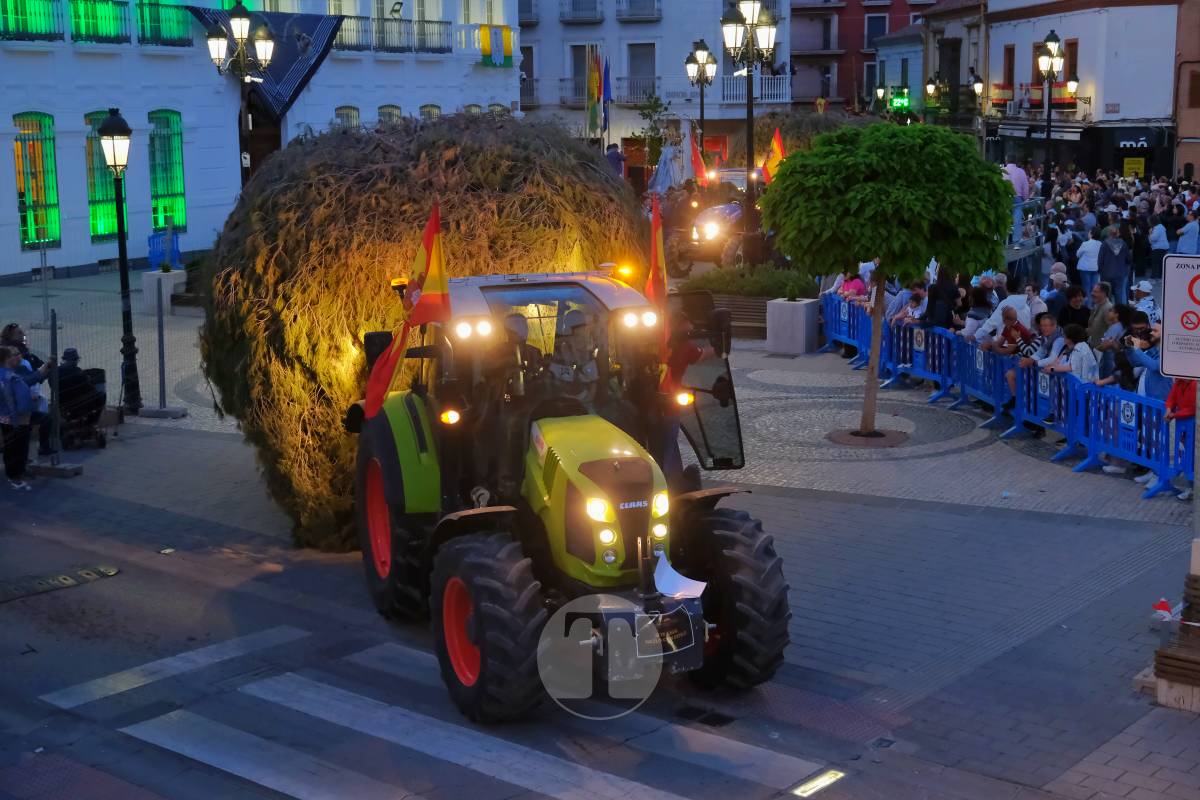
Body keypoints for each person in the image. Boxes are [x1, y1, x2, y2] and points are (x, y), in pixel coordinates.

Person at [1006, 311, 1066, 398]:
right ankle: (1017, 400)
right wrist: (1029, 360)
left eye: (1045, 326)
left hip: (1058, 372)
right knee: (1012, 373)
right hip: (1046, 370)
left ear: (1054, 326)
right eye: (1041, 326)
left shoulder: (1059, 339)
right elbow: (1040, 353)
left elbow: (1052, 358)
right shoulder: (1045, 337)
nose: (1043, 328)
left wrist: (1034, 363)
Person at [0, 345, 33, 490]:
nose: (18, 357)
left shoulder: (4, 374)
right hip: (16, 419)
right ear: (7, 359)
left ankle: (13, 474)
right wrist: (17, 420)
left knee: (10, 447)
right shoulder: (10, 377)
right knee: (18, 447)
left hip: (4, 417)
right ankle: (16, 477)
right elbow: (13, 400)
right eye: (14, 355)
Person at [1164, 378, 1197, 499]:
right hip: (1185, 426)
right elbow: (1171, 397)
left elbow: (1194, 408)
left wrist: (1174, 414)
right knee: (1187, 454)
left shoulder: (1194, 384)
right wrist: (1168, 409)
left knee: (1192, 456)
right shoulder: (1179, 381)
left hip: (1193, 425)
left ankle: (1193, 488)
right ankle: (1191, 488)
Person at [1094, 303, 1131, 379]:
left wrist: (1094, 351)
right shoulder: (1121, 326)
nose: (1108, 312)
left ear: (1116, 314)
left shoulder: (1116, 327)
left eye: (1111, 311)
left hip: (1111, 363)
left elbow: (1106, 345)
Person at [1098, 225, 1132, 303]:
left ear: (1109, 234)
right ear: (1118, 233)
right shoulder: (1123, 243)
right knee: (1119, 293)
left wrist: (1099, 270)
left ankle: (1108, 311)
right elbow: (1129, 259)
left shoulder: (1104, 244)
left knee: (1107, 294)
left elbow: (1100, 259)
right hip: (1120, 272)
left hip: (1106, 273)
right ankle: (1119, 311)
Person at [1075, 227, 1103, 297]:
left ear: (1091, 234)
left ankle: (1087, 305)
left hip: (1085, 268)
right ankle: (1094, 305)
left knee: (1086, 288)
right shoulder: (1101, 244)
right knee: (1094, 288)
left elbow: (1078, 254)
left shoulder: (1085, 244)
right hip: (1096, 268)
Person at [1087, 281, 1113, 348]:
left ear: (1104, 294)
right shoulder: (1097, 306)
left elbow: (1112, 331)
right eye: (1092, 291)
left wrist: (1103, 346)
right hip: (1096, 347)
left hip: (1104, 351)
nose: (1092, 294)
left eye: (1095, 292)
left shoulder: (1108, 308)